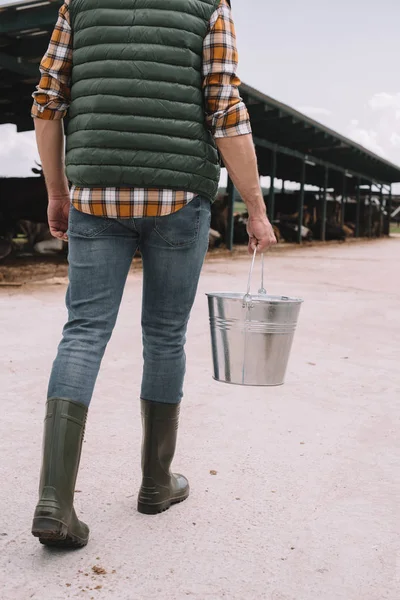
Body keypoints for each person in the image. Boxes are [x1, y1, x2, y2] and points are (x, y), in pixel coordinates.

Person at [31, 0, 276, 548]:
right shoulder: (210, 6)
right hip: (177, 195)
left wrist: (55, 191)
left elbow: (48, 102)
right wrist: (255, 210)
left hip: (94, 191)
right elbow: (225, 108)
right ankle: (155, 482)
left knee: (83, 332)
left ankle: (55, 500)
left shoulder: (79, 5)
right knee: (164, 335)